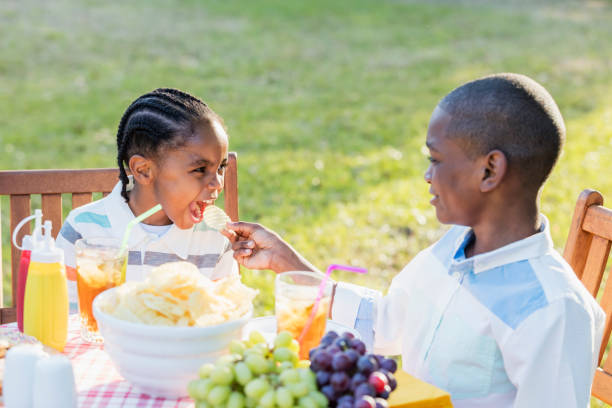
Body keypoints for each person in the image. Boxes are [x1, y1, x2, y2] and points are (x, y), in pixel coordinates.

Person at [223, 74, 605, 407]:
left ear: (489, 170)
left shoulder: (553, 310)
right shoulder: (454, 245)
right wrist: (287, 262)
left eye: (436, 160)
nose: (426, 175)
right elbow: (389, 324)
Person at [56, 88, 237, 307]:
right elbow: (67, 319)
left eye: (222, 167)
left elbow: (227, 317)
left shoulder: (215, 238)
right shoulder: (83, 231)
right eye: (199, 169)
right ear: (143, 171)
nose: (217, 183)